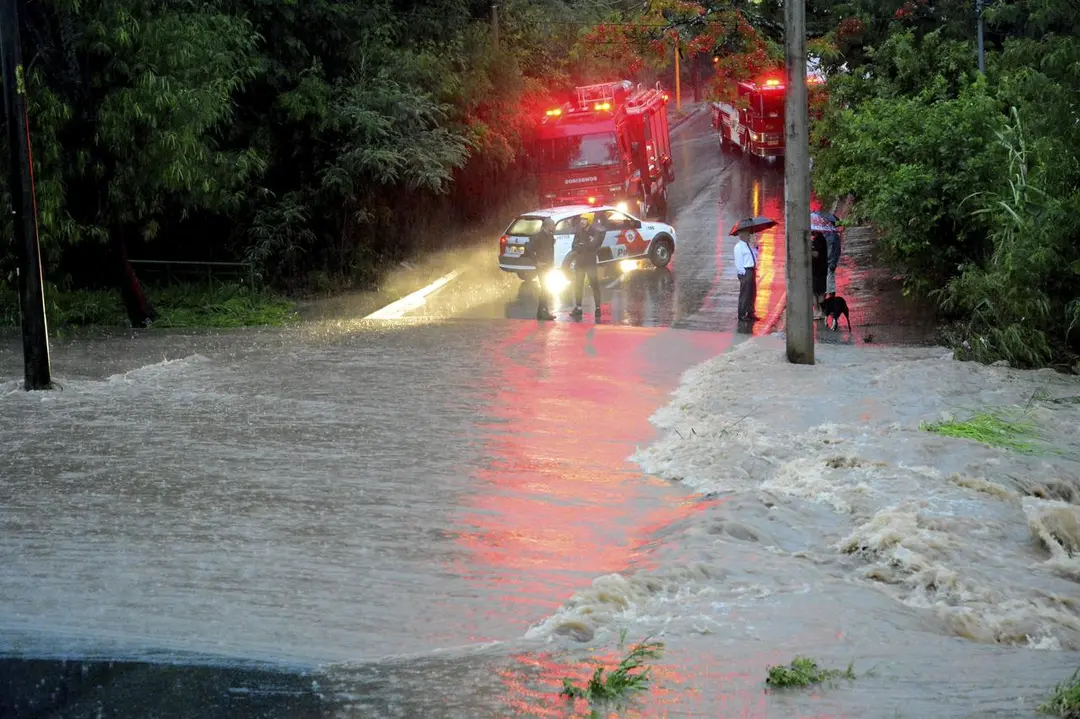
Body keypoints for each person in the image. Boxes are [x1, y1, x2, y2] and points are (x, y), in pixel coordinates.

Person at [570, 215, 604, 320]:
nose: (582, 222)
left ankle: (598, 308)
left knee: (594, 285)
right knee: (578, 285)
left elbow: (593, 245)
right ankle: (578, 307)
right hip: (580, 263)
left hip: (590, 263)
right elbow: (574, 246)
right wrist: (583, 245)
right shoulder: (578, 232)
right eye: (581, 219)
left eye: (584, 219)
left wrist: (582, 245)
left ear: (589, 221)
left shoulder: (595, 232)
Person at [529, 218, 556, 321]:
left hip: (549, 266)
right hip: (542, 267)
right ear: (547, 226)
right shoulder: (538, 236)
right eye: (553, 225)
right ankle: (542, 312)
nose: (554, 227)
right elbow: (529, 248)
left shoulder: (550, 235)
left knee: (546, 289)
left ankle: (542, 312)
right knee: (545, 288)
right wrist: (536, 262)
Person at [733, 229, 759, 321]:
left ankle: (750, 312)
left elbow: (755, 256)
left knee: (752, 293)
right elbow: (738, 261)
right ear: (742, 236)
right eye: (748, 235)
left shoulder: (748, 246)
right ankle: (742, 314)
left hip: (751, 270)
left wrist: (756, 248)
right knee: (745, 294)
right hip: (745, 271)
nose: (749, 236)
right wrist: (742, 272)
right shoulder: (739, 247)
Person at [811, 231, 828, 320]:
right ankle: (819, 311)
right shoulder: (820, 239)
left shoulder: (818, 240)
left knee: (817, 292)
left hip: (818, 270)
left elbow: (816, 254)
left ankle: (819, 311)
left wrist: (808, 250)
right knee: (819, 291)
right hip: (820, 270)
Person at [825, 229, 842, 298]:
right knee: (827, 284)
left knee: (830, 283)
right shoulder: (825, 236)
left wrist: (834, 262)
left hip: (830, 263)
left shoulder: (834, 236)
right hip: (825, 263)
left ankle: (831, 301)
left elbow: (837, 251)